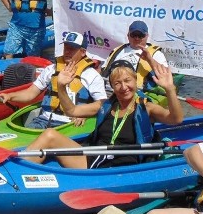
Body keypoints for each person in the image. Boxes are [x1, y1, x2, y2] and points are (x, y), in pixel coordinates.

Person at [20, 56, 183, 168]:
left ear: (135, 81)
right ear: (112, 86)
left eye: (127, 81)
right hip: (95, 157)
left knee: (49, 136)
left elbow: (176, 119)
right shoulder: (104, 106)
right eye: (117, 83)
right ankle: (20, 168)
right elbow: (71, 110)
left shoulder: (146, 108)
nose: (123, 87)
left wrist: (169, 89)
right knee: (50, 134)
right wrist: (61, 87)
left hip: (122, 165)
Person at [0, 31, 107, 128]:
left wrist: (84, 114)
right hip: (43, 120)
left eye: (72, 49)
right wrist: (9, 96)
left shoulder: (91, 75)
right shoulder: (51, 69)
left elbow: (101, 104)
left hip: (70, 124)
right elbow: (30, 93)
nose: (67, 51)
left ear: (83, 52)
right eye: (66, 47)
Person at [101, 20, 169, 95]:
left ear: (147, 36)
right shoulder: (117, 50)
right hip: (108, 91)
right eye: (134, 35)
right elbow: (104, 70)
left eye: (140, 35)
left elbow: (165, 75)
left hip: (135, 94)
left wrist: (149, 59)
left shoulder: (156, 54)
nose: (137, 38)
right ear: (128, 35)